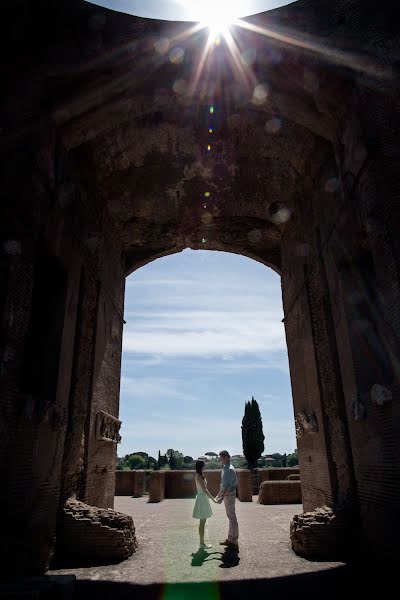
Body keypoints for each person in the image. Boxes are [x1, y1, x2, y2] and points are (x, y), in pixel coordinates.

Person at [215, 450, 239, 550]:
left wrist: (221, 497)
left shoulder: (229, 469)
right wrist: (218, 495)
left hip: (229, 495)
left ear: (226, 457)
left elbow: (228, 486)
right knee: (230, 517)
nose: (220, 460)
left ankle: (234, 540)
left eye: (221, 458)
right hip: (227, 495)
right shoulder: (226, 468)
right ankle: (230, 539)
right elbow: (223, 485)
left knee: (232, 517)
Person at [193, 460, 216, 549]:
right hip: (202, 499)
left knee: (202, 522)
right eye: (204, 466)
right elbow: (204, 490)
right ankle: (202, 543)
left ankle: (202, 543)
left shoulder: (199, 476)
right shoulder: (199, 476)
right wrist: (213, 499)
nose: (205, 467)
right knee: (202, 522)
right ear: (201, 467)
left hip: (202, 499)